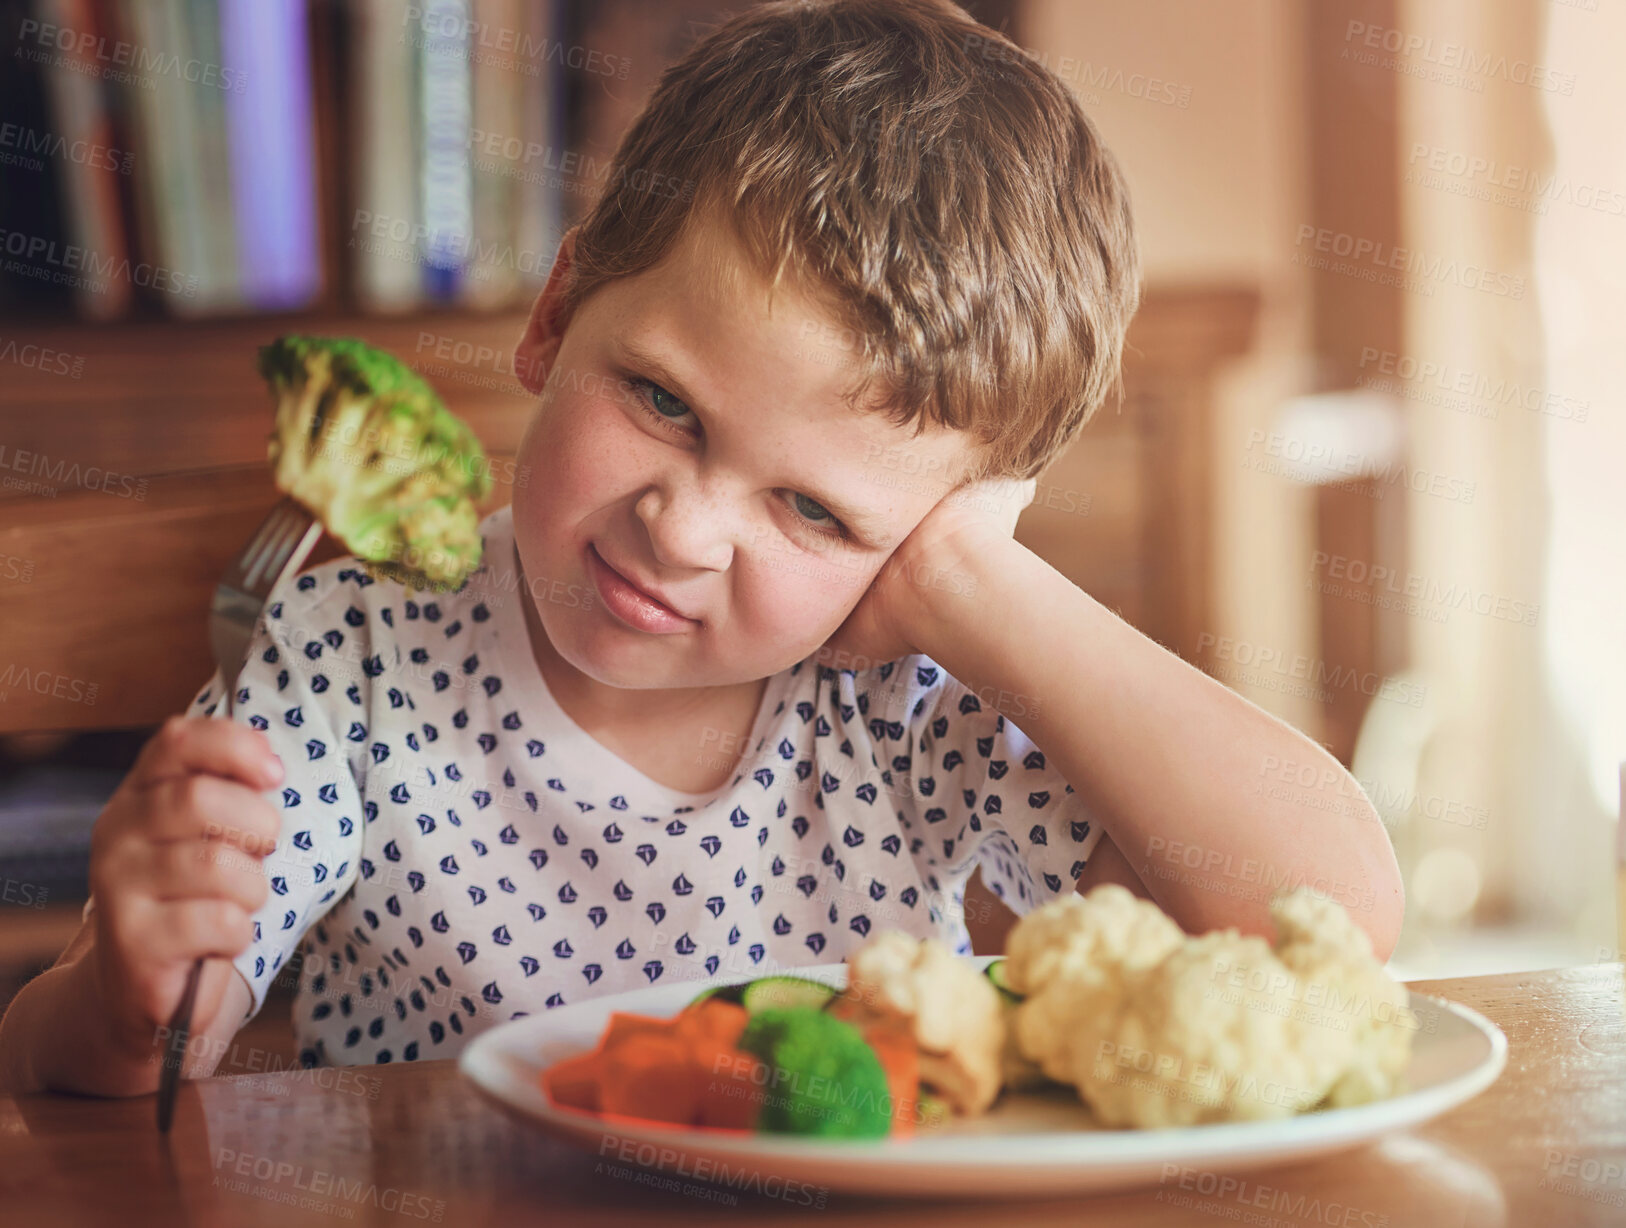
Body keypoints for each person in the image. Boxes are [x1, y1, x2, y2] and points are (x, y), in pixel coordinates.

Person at [0, 0, 1401, 1094]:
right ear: (556, 318)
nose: (683, 527)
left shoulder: (913, 699)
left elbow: (1318, 924)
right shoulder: (349, 647)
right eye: (662, 402)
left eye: (815, 511)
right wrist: (134, 992)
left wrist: (977, 588)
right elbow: (97, 1058)